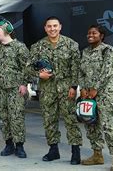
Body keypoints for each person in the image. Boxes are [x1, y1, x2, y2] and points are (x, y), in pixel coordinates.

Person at [28, 16, 83, 164]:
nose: (52, 29)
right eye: (49, 26)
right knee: (49, 120)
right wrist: (39, 74)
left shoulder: (71, 44)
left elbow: (76, 68)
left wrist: (73, 87)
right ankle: (53, 150)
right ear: (45, 28)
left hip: (66, 88)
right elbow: (27, 67)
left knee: (70, 120)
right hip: (47, 90)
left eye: (55, 26)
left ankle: (75, 151)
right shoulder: (37, 47)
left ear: (60, 27)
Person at [79, 25, 113, 171]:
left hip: (105, 95)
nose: (90, 35)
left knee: (108, 126)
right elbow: (81, 72)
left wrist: (95, 88)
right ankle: (97, 154)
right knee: (91, 124)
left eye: (94, 33)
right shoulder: (85, 52)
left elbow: (108, 71)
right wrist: (83, 88)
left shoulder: (108, 50)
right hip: (89, 95)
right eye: (89, 33)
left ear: (101, 35)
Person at [0, 16, 29, 158]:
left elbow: (26, 67)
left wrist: (24, 84)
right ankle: (9, 144)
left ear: (8, 29)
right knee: (3, 118)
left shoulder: (19, 47)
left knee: (16, 117)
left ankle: (20, 146)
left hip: (14, 88)